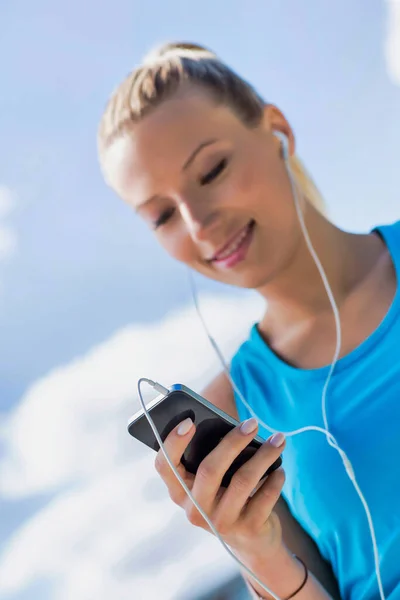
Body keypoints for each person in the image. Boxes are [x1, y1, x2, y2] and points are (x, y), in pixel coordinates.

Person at [97, 42, 400, 600]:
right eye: (163, 214)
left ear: (277, 131)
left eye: (211, 171)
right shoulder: (234, 418)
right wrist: (253, 548)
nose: (199, 223)